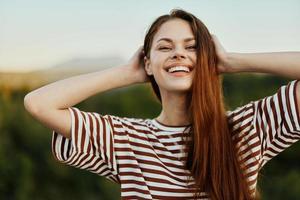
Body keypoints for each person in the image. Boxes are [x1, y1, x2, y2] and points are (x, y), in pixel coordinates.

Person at [24, 9, 300, 200]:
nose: (178, 53)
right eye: (165, 47)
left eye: (191, 47)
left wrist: (232, 62)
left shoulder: (247, 128)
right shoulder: (126, 139)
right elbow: (39, 104)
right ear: (147, 63)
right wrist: (126, 74)